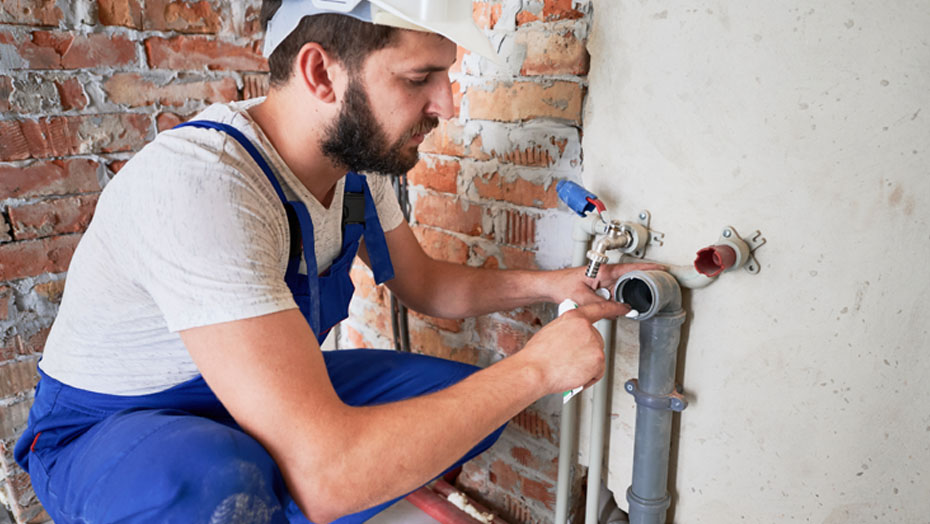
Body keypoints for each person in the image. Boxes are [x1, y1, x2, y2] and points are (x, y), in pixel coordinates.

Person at [15, 1, 653, 522]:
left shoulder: (354, 169)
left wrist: (556, 285)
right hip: (111, 429)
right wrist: (536, 369)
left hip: (239, 395)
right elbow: (325, 479)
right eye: (418, 78)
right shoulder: (205, 186)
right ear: (321, 74)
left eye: (446, 77)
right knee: (219, 483)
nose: (448, 105)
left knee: (463, 407)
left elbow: (428, 285)